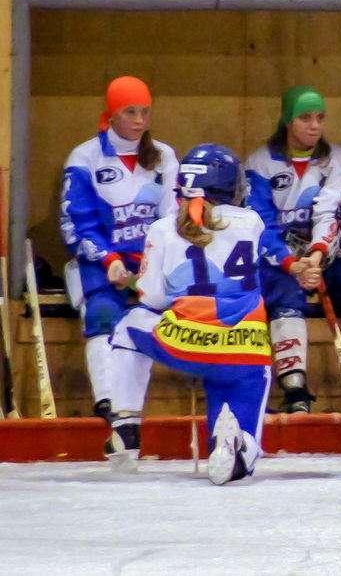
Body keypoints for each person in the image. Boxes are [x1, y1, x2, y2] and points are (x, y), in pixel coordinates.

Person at [104, 144, 272, 485]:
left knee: (127, 325)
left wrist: (139, 281)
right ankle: (237, 446)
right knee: (243, 436)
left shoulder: (163, 228)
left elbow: (152, 297)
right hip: (245, 350)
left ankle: (125, 427)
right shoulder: (253, 222)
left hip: (185, 343)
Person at [58, 76, 178, 424]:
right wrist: (109, 259)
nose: (140, 120)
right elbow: (76, 223)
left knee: (161, 315)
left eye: (145, 112)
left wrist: (153, 262)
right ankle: (108, 401)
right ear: (111, 115)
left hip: (149, 260)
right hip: (101, 261)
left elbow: (172, 217)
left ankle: (138, 403)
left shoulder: (164, 156)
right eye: (130, 112)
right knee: (101, 312)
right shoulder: (84, 158)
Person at [244, 85, 341, 414]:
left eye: (320, 117)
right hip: (279, 261)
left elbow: (329, 211)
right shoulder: (260, 162)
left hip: (322, 256)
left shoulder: (336, 158)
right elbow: (259, 223)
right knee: (285, 291)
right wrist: (292, 264)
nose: (315, 125)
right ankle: (295, 390)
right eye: (305, 117)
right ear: (287, 120)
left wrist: (316, 257)